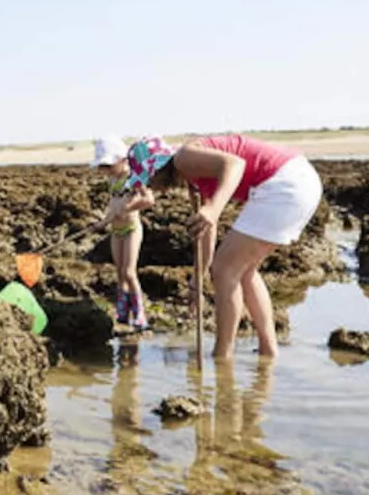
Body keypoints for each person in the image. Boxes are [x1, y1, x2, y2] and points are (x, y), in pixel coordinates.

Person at [113, 134, 322, 360]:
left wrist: (213, 209)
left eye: (148, 179)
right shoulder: (192, 176)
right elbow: (206, 231)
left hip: (284, 184)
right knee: (245, 271)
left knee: (225, 270)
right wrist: (198, 277)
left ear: (158, 168)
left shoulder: (183, 158)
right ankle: (268, 350)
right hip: (299, 181)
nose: (149, 186)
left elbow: (235, 164)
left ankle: (223, 356)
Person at [90, 135, 148, 330]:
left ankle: (140, 313)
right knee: (119, 272)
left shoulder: (133, 177)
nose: (106, 171)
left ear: (121, 159)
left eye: (108, 166)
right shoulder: (112, 180)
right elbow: (112, 206)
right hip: (116, 230)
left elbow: (146, 199)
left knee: (129, 272)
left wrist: (128, 208)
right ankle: (123, 310)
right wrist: (103, 222)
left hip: (132, 229)